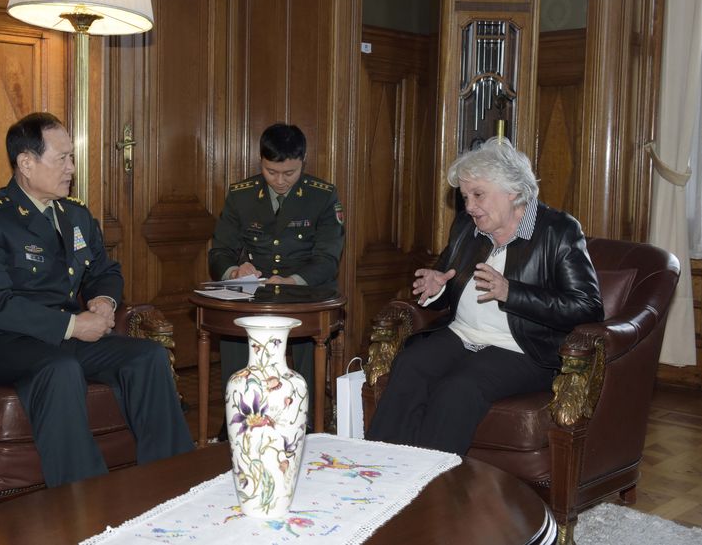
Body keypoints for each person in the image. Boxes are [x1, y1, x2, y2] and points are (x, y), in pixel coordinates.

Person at [0, 112, 194, 487]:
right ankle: (83, 500)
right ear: (26, 163)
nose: (72, 168)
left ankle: (172, 482)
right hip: (5, 343)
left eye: (72, 158)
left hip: (67, 336)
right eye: (62, 158)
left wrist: (104, 301)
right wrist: (72, 325)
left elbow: (104, 270)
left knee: (148, 356)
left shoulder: (74, 215)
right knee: (60, 368)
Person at [365, 138, 603, 454]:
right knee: (410, 365)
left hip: (522, 348)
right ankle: (379, 469)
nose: (469, 206)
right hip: (461, 334)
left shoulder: (557, 231)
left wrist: (511, 293)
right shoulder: (467, 226)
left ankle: (434, 479)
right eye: (465, 197)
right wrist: (436, 288)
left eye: (478, 195)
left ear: (512, 191)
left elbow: (587, 306)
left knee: (458, 389)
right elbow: (447, 281)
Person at [208, 123, 345, 432]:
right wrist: (235, 271)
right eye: (271, 172)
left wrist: (292, 281)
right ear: (261, 161)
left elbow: (328, 258)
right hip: (256, 293)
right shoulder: (241, 195)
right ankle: (237, 422)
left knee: (311, 336)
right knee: (232, 329)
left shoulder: (322, 196)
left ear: (303, 162)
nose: (280, 181)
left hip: (306, 292)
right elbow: (220, 251)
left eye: (289, 173)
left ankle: (304, 423)